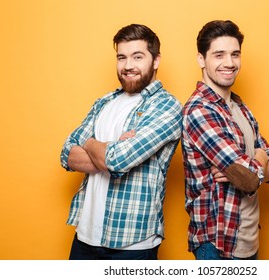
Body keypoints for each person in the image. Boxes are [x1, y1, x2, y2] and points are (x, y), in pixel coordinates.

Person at [60, 24, 182, 260]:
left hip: (132, 245)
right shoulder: (105, 102)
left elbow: (118, 160)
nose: (128, 66)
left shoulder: (167, 106)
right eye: (122, 57)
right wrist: (111, 146)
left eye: (138, 57)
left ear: (156, 60)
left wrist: (92, 143)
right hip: (84, 237)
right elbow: (67, 154)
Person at [181, 20, 269, 260]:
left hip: (248, 241)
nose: (229, 63)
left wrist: (253, 166)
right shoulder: (200, 110)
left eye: (235, 54)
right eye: (219, 55)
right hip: (218, 246)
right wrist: (258, 160)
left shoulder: (239, 108)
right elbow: (248, 179)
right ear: (201, 60)